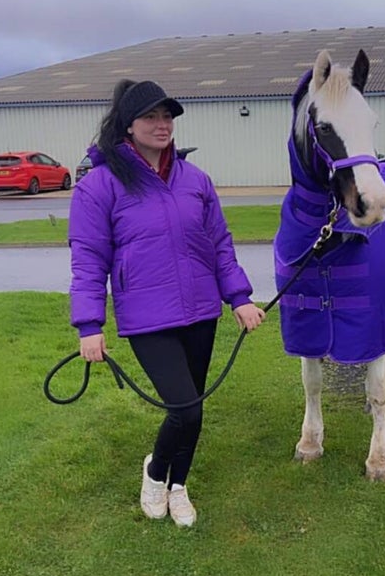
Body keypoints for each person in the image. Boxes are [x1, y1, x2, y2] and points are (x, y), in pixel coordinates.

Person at [68, 78, 265, 528]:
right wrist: (89, 325)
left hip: (200, 312)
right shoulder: (100, 186)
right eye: (150, 117)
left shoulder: (196, 181)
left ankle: (179, 486)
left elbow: (219, 243)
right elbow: (88, 259)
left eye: (167, 116)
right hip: (147, 317)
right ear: (128, 125)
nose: (162, 125)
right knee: (184, 407)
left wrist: (238, 297)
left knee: (194, 408)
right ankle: (156, 473)